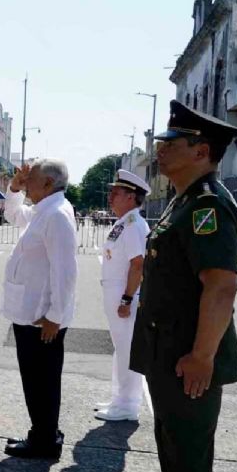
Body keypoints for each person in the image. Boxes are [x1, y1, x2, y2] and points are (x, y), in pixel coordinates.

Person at [126, 101, 237, 472]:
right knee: (175, 455)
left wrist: (201, 356)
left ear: (201, 150)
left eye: (172, 143)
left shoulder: (206, 206)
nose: (161, 150)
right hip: (169, 352)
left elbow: (221, 287)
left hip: (185, 358)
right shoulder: (186, 201)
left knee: (189, 463)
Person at [0, 158, 77, 459]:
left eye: (31, 178)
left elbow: (66, 271)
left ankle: (43, 439)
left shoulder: (56, 215)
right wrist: (15, 188)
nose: (25, 180)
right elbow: (13, 215)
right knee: (38, 378)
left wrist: (55, 316)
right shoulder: (46, 210)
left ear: (48, 183)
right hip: (32, 313)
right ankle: (45, 431)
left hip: (41, 318)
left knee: (39, 380)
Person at [95, 169, 151, 422]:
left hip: (124, 294)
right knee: (121, 348)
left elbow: (137, 264)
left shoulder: (134, 225)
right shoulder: (123, 222)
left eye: (115, 193)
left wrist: (127, 299)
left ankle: (128, 405)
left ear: (131, 197)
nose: (110, 197)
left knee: (128, 349)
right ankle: (119, 398)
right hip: (115, 290)